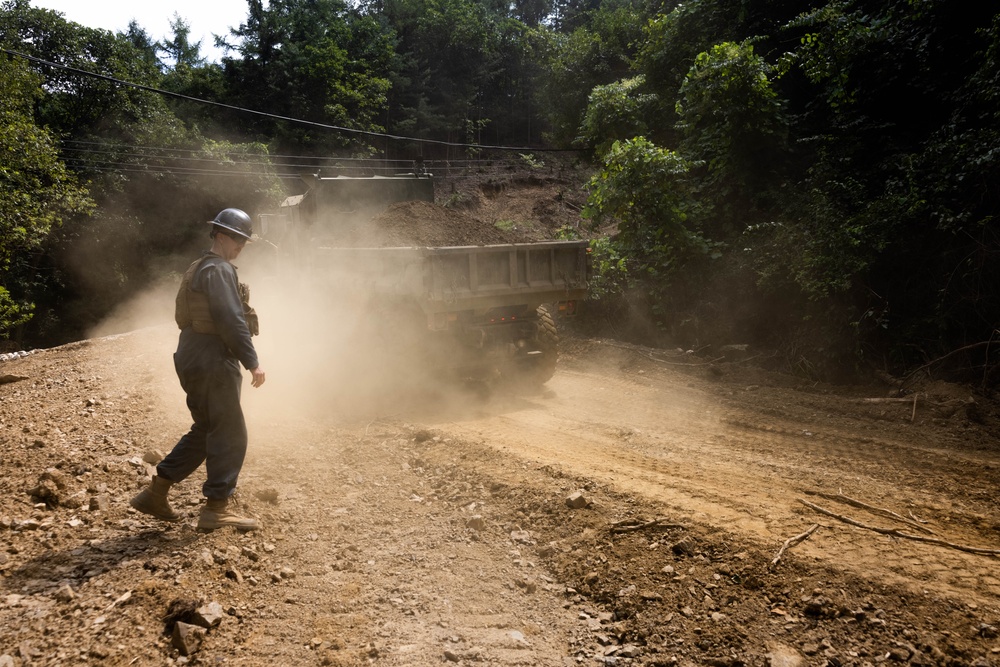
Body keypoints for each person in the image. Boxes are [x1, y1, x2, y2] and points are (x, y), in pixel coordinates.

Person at [131, 208, 266, 531]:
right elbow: (231, 318)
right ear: (221, 236)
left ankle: (156, 491)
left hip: (192, 354)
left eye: (244, 242)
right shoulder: (218, 270)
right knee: (231, 431)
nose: (241, 247)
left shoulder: (199, 268)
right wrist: (252, 361)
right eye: (239, 240)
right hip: (212, 358)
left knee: (206, 428)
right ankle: (217, 507)